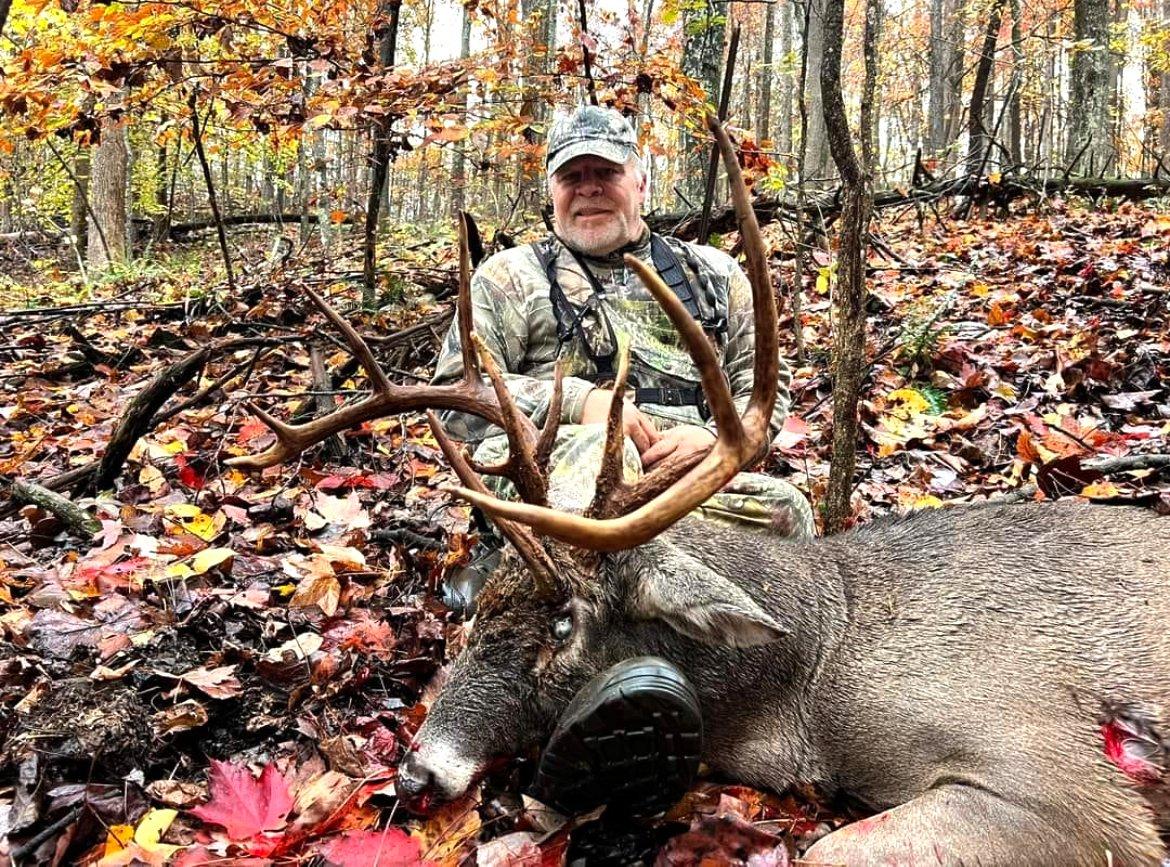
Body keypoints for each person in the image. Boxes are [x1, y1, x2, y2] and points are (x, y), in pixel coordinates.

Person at [430, 104, 814, 816]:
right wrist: (580, 403)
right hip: (552, 516)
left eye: (605, 173)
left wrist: (715, 440)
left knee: (787, 507)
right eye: (572, 176)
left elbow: (767, 401)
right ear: (551, 189)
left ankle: (747, 691)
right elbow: (462, 390)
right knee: (583, 456)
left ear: (641, 179)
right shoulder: (508, 280)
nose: (589, 189)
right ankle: (573, 700)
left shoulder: (715, 276)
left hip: (681, 503)